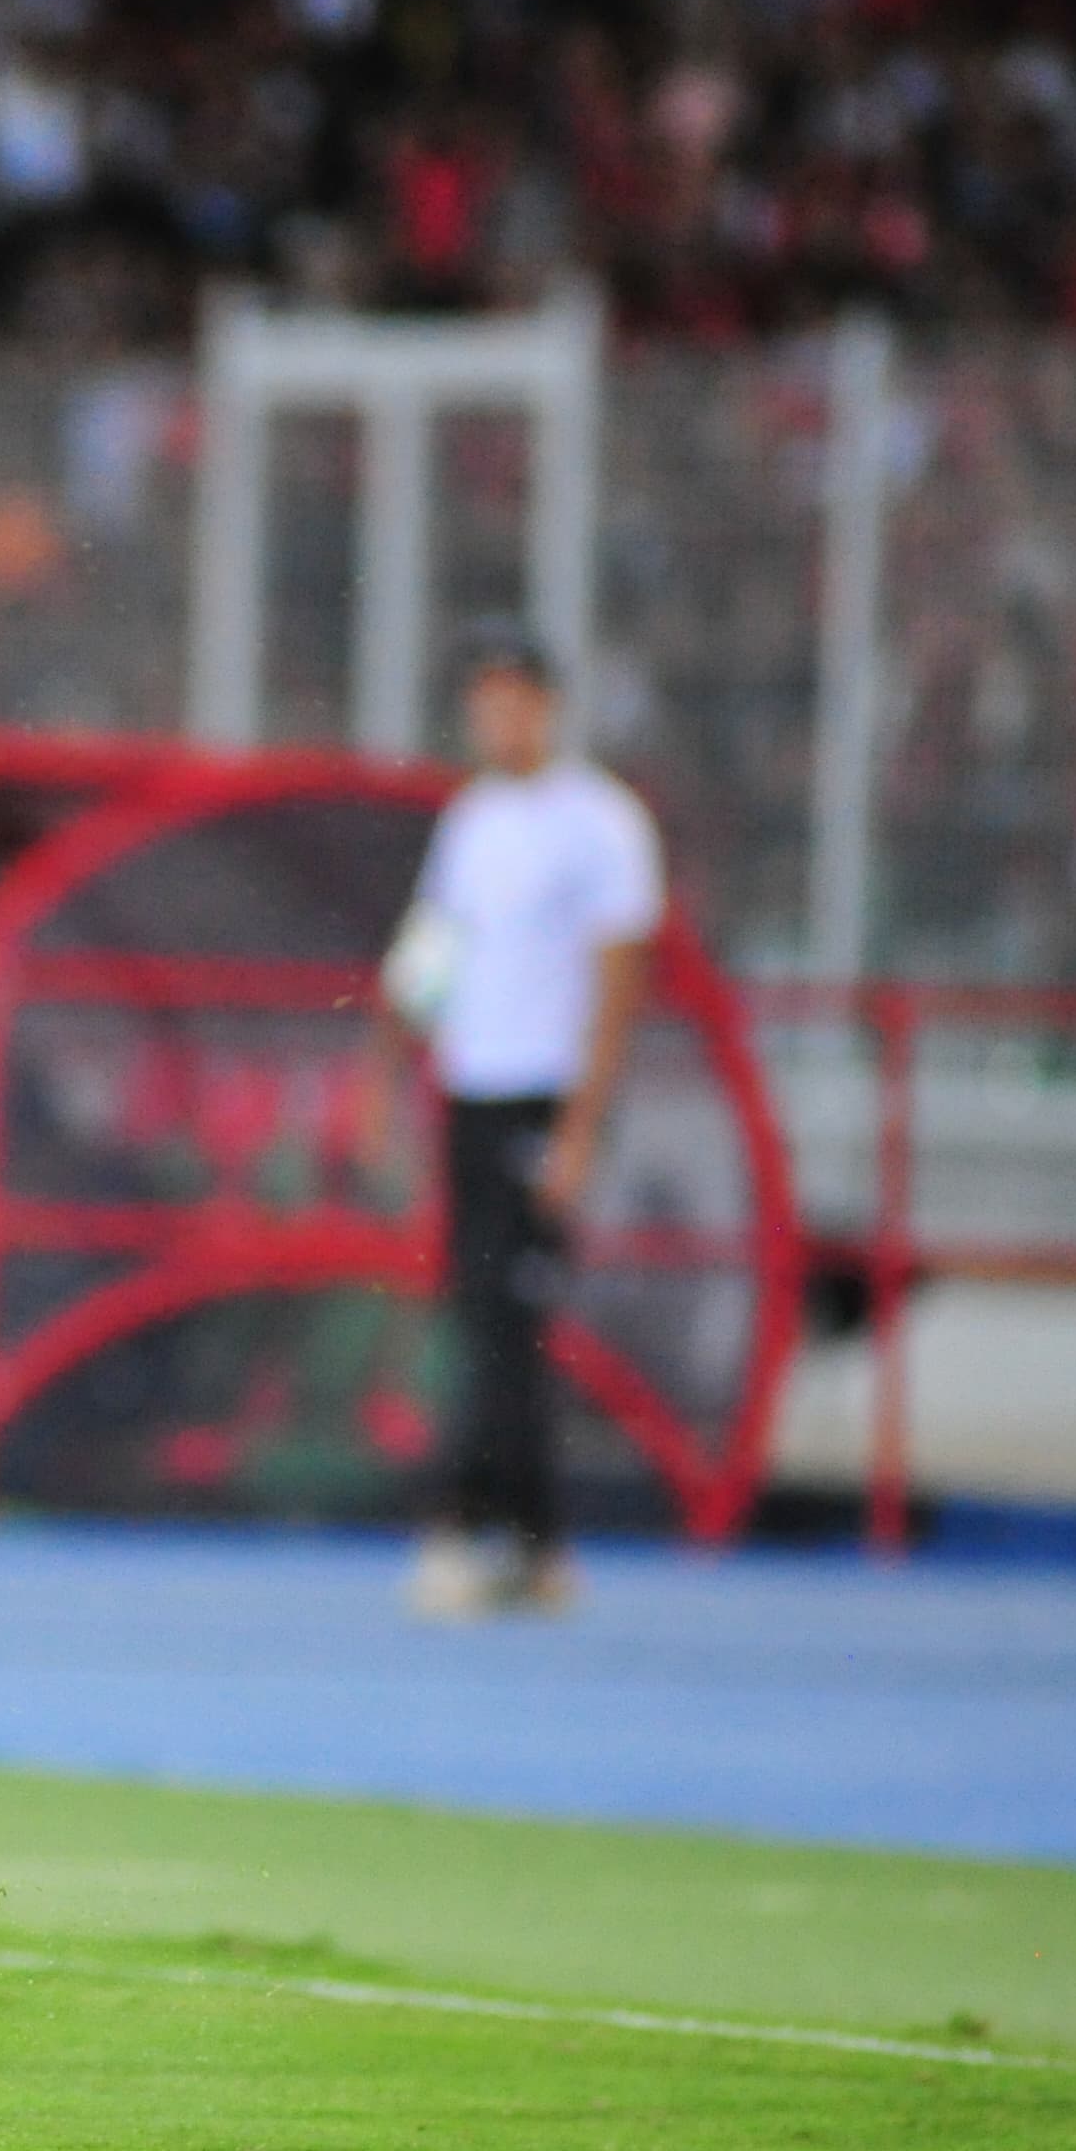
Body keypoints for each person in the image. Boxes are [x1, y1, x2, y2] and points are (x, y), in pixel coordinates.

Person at [381, 636, 663, 1620]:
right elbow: (432, 951)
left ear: (545, 707)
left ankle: (465, 1524)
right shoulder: (470, 818)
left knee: (509, 1316)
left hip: (543, 1098)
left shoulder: (600, 824)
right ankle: (537, 1540)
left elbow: (619, 984)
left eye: (510, 702)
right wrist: (383, 1063)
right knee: (484, 1312)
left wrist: (583, 1126)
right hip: (470, 1091)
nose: (494, 722)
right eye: (481, 702)